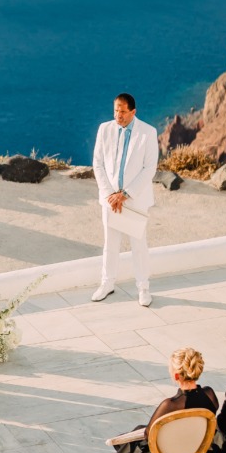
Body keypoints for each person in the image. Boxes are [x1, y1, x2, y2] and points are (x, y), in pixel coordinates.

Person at [107, 348, 220, 453]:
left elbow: (148, 434)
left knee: (131, 445)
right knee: (136, 436)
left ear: (176, 376)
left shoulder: (170, 405)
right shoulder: (210, 395)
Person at [91, 93, 159, 307]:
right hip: (110, 199)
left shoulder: (148, 133)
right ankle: (107, 283)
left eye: (122, 111)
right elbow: (98, 163)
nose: (118, 115)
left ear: (133, 112)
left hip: (135, 199)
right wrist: (110, 193)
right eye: (115, 111)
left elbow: (150, 168)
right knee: (110, 244)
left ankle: (143, 288)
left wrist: (125, 193)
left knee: (139, 244)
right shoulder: (105, 129)